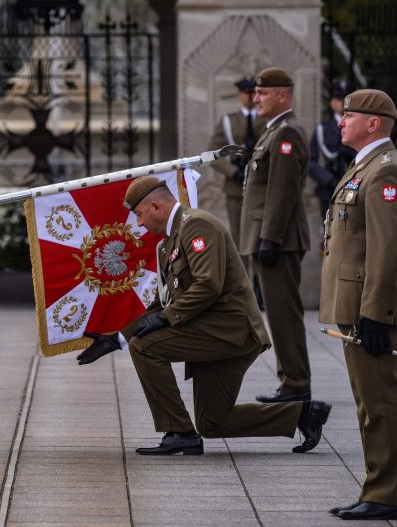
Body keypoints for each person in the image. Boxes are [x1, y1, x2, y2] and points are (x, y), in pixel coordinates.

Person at [77, 176, 331, 456]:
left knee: (146, 347)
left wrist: (165, 319)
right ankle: (303, 415)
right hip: (212, 332)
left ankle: (179, 432)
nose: (138, 223)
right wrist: (117, 339)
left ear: (156, 206)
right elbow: (164, 302)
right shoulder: (167, 245)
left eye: (139, 215)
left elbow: (208, 284)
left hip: (231, 331)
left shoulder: (197, 225)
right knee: (213, 422)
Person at [320, 89, 397, 521]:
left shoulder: (386, 171)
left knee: (380, 401)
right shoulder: (365, 166)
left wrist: (375, 311)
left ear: (373, 123)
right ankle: (379, 487)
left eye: (348, 115)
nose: (340, 121)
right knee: (367, 401)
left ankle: (389, 493)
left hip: (366, 305)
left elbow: (389, 249)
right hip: (352, 301)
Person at [240, 67, 311, 403]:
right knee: (278, 312)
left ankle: (295, 383)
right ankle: (290, 379)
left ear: (283, 95)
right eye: (256, 93)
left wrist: (270, 238)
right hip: (269, 238)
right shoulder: (273, 131)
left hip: (278, 241)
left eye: (263, 93)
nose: (256, 98)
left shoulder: (286, 134)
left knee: (284, 313)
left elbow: (282, 191)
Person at [208, 77, 266, 248]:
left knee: (261, 235)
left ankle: (258, 275)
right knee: (239, 236)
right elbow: (213, 153)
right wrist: (233, 172)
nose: (248, 97)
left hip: (261, 182)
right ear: (240, 95)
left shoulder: (266, 120)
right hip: (236, 186)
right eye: (245, 92)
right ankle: (243, 274)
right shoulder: (228, 121)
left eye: (252, 92)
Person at [309, 79, 356, 251]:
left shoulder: (359, 126)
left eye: (346, 99)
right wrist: (328, 179)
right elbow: (310, 161)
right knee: (330, 236)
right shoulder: (322, 129)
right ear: (331, 101)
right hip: (328, 189)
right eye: (338, 98)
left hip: (354, 186)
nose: (342, 103)